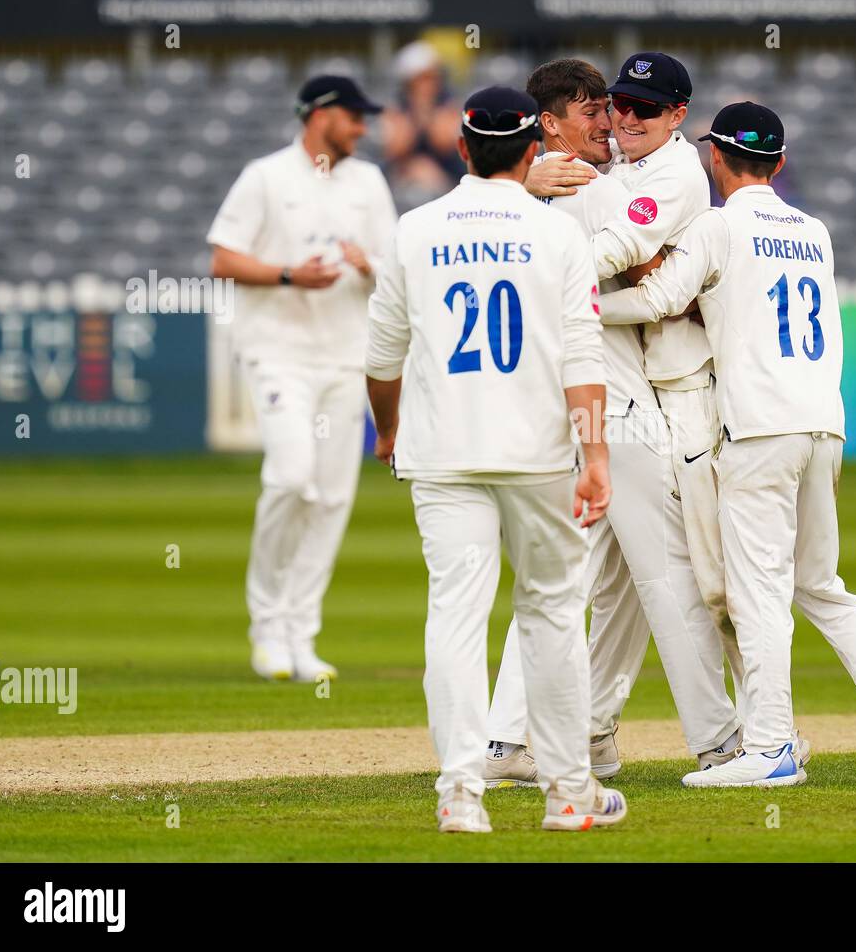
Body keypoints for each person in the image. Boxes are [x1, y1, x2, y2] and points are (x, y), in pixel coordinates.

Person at [599, 102, 856, 788]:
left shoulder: (720, 226)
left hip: (756, 429)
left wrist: (583, 307)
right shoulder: (815, 231)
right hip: (824, 426)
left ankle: (772, 748)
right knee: (816, 582)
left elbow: (661, 298)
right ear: (779, 164)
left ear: (715, 159)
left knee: (756, 595)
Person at [364, 86, 627, 833]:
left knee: (454, 619)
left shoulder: (414, 229)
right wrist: (596, 451)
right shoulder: (557, 237)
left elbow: (381, 359)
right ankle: (571, 794)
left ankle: (459, 795)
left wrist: (386, 433)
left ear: (462, 148)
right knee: (550, 614)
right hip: (538, 454)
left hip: (442, 453)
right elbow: (583, 354)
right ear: (530, 153)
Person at [483, 59, 741, 789]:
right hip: (615, 412)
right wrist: (527, 189)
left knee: (598, 585)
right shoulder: (582, 183)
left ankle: (544, 736)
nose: (615, 122)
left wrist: (522, 191)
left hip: (598, 403)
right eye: (601, 110)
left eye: (626, 109)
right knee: (668, 573)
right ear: (552, 126)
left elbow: (616, 252)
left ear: (677, 114)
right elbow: (616, 254)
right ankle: (720, 742)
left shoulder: (630, 178)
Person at [207, 75, 398, 683]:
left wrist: (372, 266)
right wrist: (291, 275)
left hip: (346, 357)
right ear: (319, 116)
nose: (362, 128)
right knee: (292, 477)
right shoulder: (266, 176)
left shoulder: (367, 182)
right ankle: (267, 626)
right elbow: (223, 258)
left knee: (332, 497)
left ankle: (300, 634)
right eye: (353, 117)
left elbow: (394, 268)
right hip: (279, 353)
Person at [380, 40, 466, 206]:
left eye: (432, 77)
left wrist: (426, 111)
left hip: (446, 173)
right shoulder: (396, 107)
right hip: (403, 174)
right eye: (423, 78)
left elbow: (444, 142)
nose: (429, 83)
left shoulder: (448, 103)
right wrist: (417, 112)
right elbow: (395, 149)